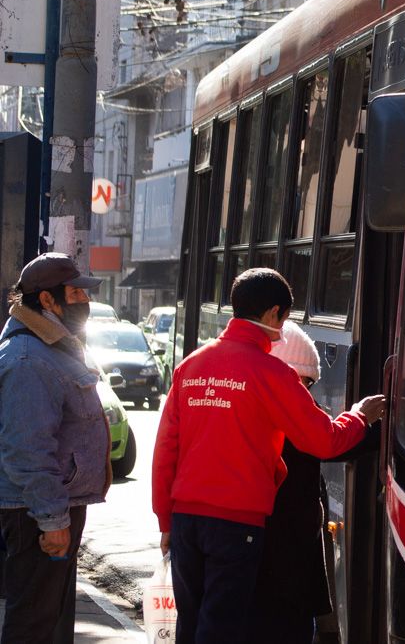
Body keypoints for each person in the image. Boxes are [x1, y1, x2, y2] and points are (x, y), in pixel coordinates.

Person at [152, 268, 385, 644]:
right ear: (274, 313)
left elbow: (165, 453)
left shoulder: (191, 366)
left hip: (185, 522)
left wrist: (166, 521)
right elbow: (324, 441)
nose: (282, 329)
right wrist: (359, 417)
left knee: (190, 627)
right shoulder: (272, 373)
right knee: (220, 629)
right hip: (235, 524)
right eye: (284, 319)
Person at [0, 252, 109, 643]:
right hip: (36, 513)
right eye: (76, 292)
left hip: (51, 505)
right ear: (47, 299)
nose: (85, 300)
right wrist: (52, 521)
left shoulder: (51, 345)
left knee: (44, 619)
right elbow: (27, 451)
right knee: (32, 622)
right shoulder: (29, 359)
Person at [250, 320, 334, 642]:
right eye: (303, 383)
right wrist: (362, 419)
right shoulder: (289, 418)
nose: (307, 394)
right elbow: (331, 439)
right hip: (284, 565)